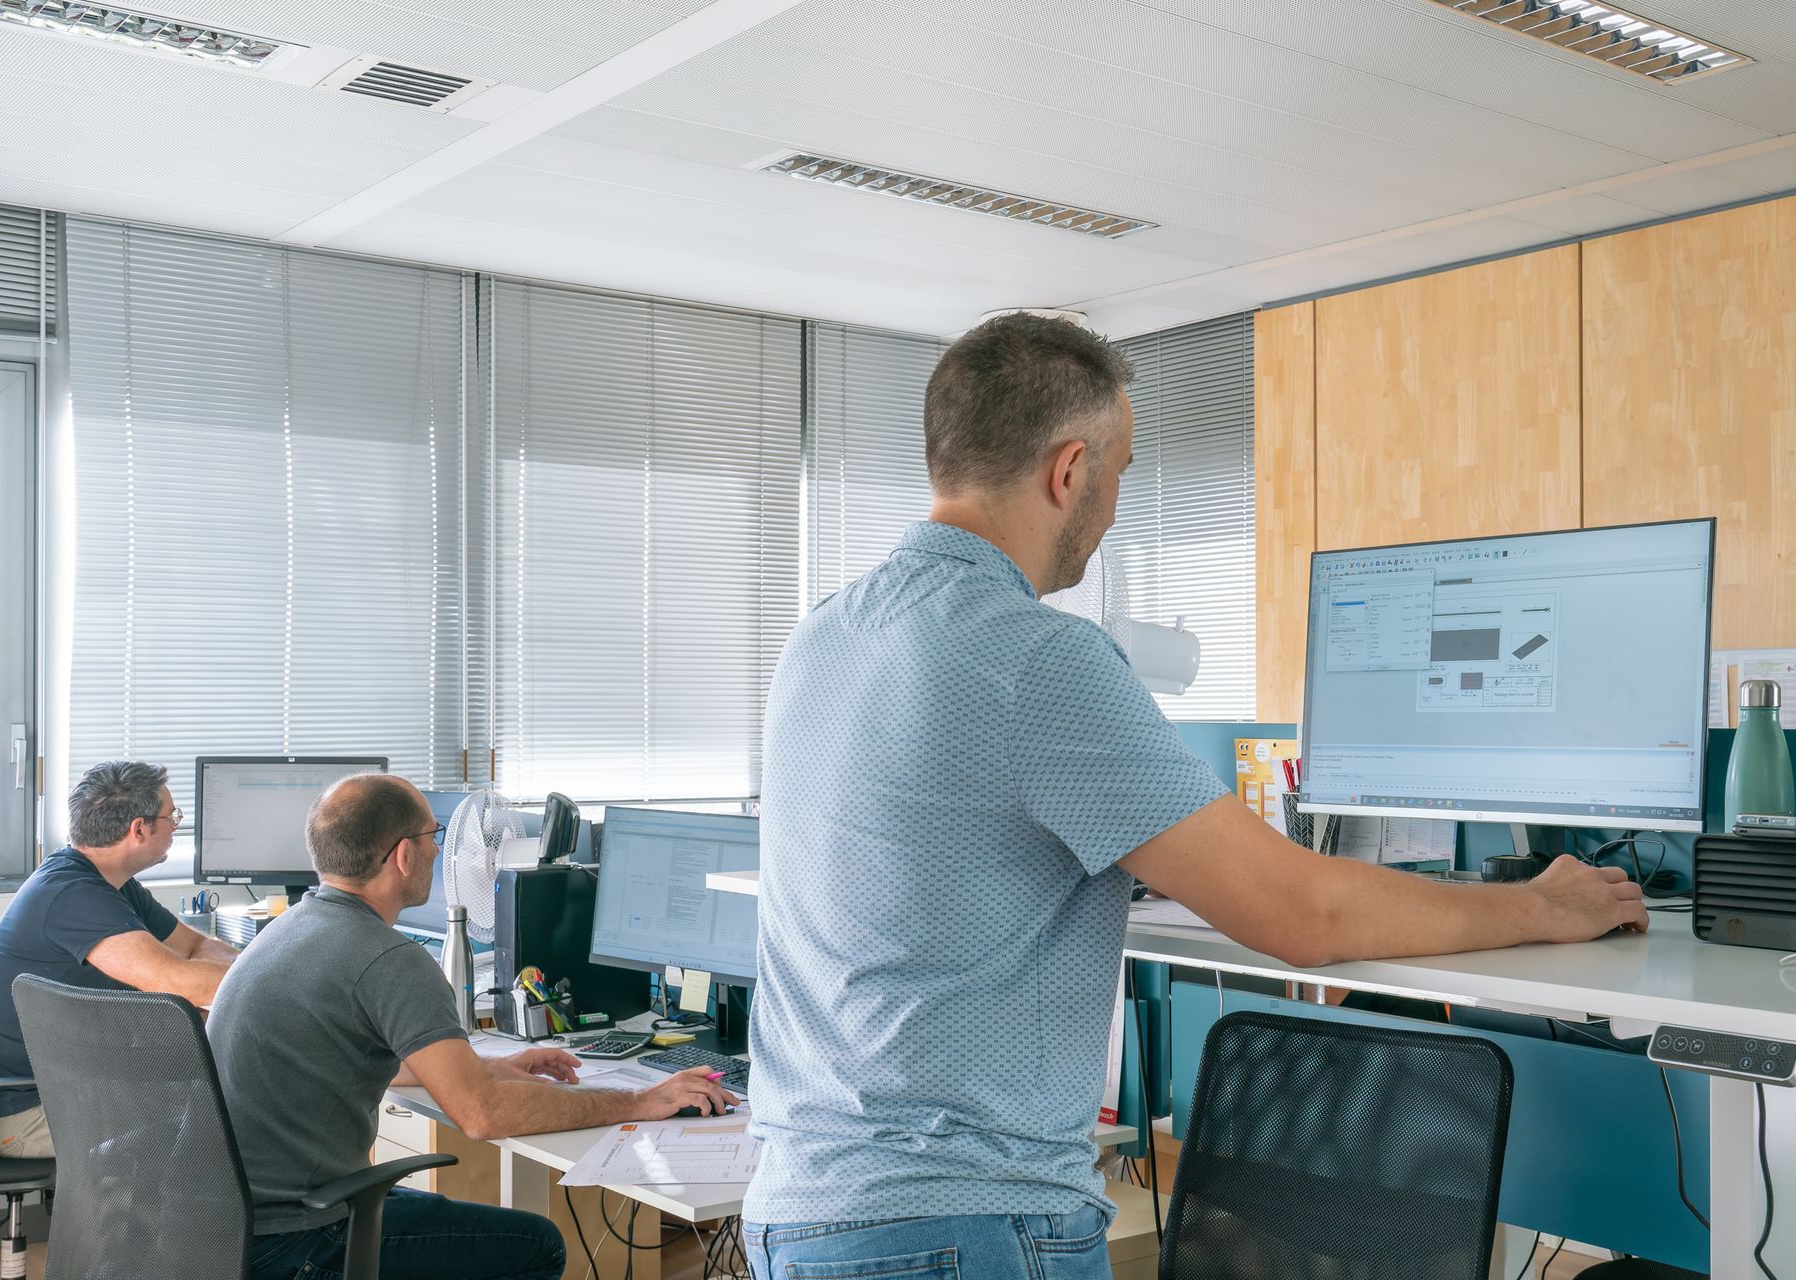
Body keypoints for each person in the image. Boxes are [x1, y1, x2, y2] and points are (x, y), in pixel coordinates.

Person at [742, 313, 1648, 1277]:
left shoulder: (823, 636)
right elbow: (1301, 914)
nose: (1115, 507)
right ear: (1069, 470)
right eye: (1121, 471)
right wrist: (1541, 905)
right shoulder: (1036, 656)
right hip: (959, 1223)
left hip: (801, 1212)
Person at [207, 772, 735, 1280]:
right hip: (297, 1238)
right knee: (536, 1246)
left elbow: (344, 1060)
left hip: (223, 1230)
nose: (439, 850)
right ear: (403, 854)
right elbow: (482, 1116)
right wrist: (641, 1102)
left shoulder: (289, 929)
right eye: (432, 835)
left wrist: (489, 1068)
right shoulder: (387, 958)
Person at [0, 759, 240, 1159]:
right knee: (224, 1104)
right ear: (139, 829)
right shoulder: (73, 894)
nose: (176, 826)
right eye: (172, 817)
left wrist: (250, 969)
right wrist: (269, 983)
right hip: (22, 1117)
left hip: (66, 1086)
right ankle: (145, 1199)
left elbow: (193, 946)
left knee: (219, 1083)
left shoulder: (108, 882)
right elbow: (177, 981)